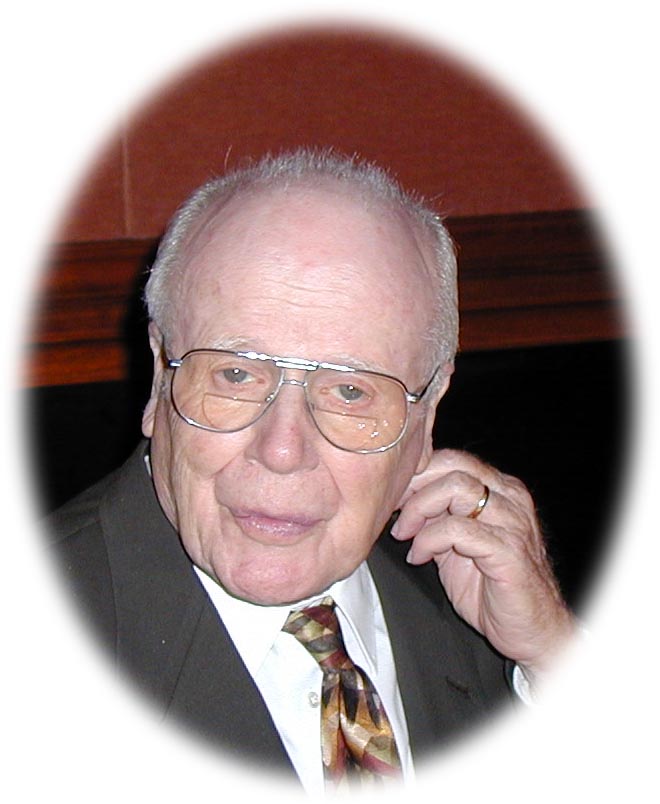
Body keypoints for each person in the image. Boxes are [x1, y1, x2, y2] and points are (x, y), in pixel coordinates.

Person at [50, 148, 575, 793]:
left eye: (350, 391)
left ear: (429, 410)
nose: (282, 450)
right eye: (236, 374)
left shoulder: (480, 607)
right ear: (161, 377)